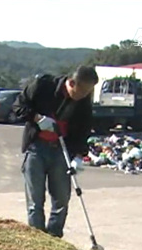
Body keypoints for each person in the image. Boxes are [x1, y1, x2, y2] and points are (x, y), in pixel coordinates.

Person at [12, 65, 98, 238]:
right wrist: (38, 118)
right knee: (35, 201)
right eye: (82, 92)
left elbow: (84, 129)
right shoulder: (43, 86)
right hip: (36, 148)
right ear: (72, 83)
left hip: (62, 151)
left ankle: (54, 238)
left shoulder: (83, 101)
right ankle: (38, 239)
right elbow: (18, 107)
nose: (84, 96)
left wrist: (80, 156)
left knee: (61, 201)